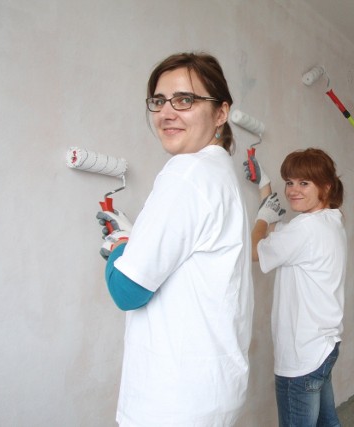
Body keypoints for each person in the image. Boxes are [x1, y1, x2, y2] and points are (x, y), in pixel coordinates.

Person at [95, 52, 253, 426]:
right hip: (212, 391)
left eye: (185, 100)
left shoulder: (186, 173)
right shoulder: (218, 174)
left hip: (172, 401)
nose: (167, 112)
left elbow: (128, 291)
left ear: (220, 113)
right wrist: (137, 239)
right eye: (158, 101)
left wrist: (119, 245)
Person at [245, 148, 347, 427]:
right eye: (289, 182)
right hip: (324, 344)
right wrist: (265, 185)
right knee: (327, 422)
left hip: (303, 352)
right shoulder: (331, 220)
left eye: (304, 183)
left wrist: (261, 219)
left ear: (326, 187)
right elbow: (285, 241)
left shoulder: (305, 229)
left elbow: (254, 251)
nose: (292, 190)